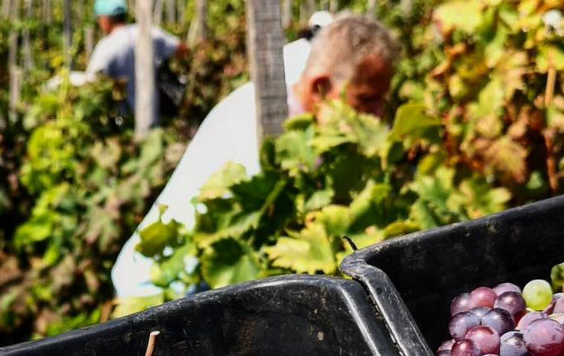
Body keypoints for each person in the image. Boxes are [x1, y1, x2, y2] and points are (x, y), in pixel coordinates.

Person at [110, 13, 399, 300]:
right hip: (158, 291)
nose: (379, 115)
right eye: (367, 100)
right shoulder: (263, 138)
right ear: (319, 87)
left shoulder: (305, 117)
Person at [87, 0, 188, 123]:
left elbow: (91, 83)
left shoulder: (105, 47)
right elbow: (182, 49)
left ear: (104, 20)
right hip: (155, 116)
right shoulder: (150, 33)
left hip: (123, 122)